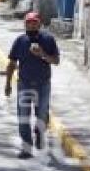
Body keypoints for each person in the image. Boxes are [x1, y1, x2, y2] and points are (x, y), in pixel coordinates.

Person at [5, 12, 60, 159]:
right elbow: (11, 63)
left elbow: (56, 61)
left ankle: (40, 132)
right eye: (29, 22)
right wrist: (7, 83)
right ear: (25, 24)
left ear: (40, 24)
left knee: (42, 115)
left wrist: (42, 54)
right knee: (23, 116)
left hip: (43, 85)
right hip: (24, 84)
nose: (31, 25)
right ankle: (26, 148)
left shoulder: (48, 39)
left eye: (34, 22)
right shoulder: (20, 41)